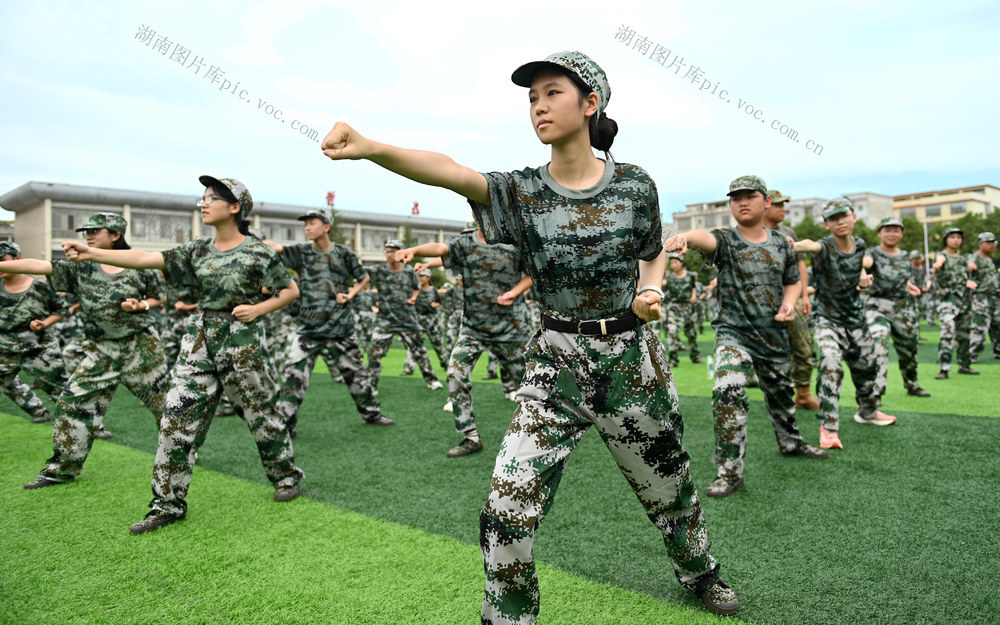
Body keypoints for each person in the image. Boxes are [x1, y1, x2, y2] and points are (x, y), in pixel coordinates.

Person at [320, 50, 737, 619]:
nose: (539, 105)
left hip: (631, 361)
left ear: (591, 104)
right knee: (506, 511)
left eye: (553, 93)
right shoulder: (521, 192)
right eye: (532, 97)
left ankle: (698, 572)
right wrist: (371, 148)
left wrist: (651, 291)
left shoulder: (636, 185)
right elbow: (450, 171)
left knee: (669, 489)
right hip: (555, 363)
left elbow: (652, 252)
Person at [59, 176, 304, 534]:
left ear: (235, 208)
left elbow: (290, 290)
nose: (203, 203)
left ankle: (285, 475)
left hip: (241, 339)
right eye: (202, 198)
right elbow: (144, 257)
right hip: (200, 337)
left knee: (260, 411)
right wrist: (92, 253)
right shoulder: (196, 249)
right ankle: (167, 504)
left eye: (212, 198)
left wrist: (258, 309)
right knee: (175, 417)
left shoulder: (259, 251)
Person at [666, 175, 827, 498]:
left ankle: (791, 442)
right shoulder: (725, 239)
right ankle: (729, 471)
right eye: (735, 197)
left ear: (766, 201)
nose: (742, 202)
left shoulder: (782, 242)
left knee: (782, 398)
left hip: (773, 336)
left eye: (750, 196)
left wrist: (789, 303)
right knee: (727, 391)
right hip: (733, 333)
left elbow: (793, 280)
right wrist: (684, 237)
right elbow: (703, 238)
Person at [0, 214, 170, 489]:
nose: (88, 235)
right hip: (100, 349)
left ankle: (180, 459)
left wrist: (141, 306)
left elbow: (158, 296)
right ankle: (62, 469)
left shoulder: (138, 263)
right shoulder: (81, 267)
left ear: (115, 234)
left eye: (94, 230)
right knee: (73, 403)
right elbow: (39, 265)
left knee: (165, 408)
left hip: (141, 347)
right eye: (85, 231)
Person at [396, 223, 533, 458]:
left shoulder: (516, 240)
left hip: (511, 328)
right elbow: (441, 248)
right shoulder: (466, 242)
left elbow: (533, 273)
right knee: (455, 374)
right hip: (474, 328)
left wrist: (514, 292)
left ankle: (538, 435)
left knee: (529, 385)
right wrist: (415, 250)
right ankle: (470, 437)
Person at [265, 208, 393, 435]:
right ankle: (286, 424)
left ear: (326, 227)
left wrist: (351, 294)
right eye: (305, 224)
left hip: (339, 328)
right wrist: (255, 239)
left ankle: (372, 414)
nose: (307, 227)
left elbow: (363, 278)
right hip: (309, 329)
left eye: (312, 223)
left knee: (358, 378)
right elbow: (276, 248)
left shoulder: (344, 254)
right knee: (292, 376)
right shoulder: (301, 252)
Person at [792, 198, 897, 450]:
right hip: (828, 319)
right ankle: (828, 427)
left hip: (855, 318)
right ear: (826, 224)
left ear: (854, 217)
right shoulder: (824, 246)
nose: (840, 222)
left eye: (844, 216)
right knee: (830, 363)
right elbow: (810, 246)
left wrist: (862, 277)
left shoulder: (860, 244)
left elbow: (860, 261)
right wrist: (793, 244)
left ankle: (868, 412)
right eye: (833, 219)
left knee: (867, 367)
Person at [0, 241, 69, 424]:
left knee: (59, 388)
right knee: (7, 383)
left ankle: (93, 426)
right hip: (5, 346)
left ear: (17, 259)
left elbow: (61, 310)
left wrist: (44, 323)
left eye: (3, 260)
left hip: (39, 346)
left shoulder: (40, 285)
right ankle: (38, 410)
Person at [764, 190, 820, 410]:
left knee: (804, 347)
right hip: (764, 303)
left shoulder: (788, 232)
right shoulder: (752, 232)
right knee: (769, 352)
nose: (783, 209)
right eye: (778, 205)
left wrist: (805, 296)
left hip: (793, 300)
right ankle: (775, 394)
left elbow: (800, 265)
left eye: (784, 205)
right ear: (766, 205)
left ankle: (804, 394)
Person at [863, 217, 930, 397]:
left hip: (903, 307)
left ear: (901, 233)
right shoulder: (872, 253)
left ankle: (912, 384)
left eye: (896, 230)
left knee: (909, 350)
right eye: (887, 230)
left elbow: (902, 276)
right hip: (877, 307)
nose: (892, 234)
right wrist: (862, 267)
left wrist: (909, 285)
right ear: (879, 233)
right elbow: (866, 262)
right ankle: (876, 392)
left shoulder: (905, 255)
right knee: (879, 345)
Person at [366, 240, 443, 392]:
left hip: (407, 319)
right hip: (385, 320)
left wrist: (414, 297)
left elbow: (416, 287)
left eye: (393, 251)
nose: (389, 254)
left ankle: (432, 380)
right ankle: (371, 385)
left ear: (401, 253)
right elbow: (363, 280)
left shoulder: (409, 272)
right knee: (374, 352)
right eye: (387, 251)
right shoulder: (378, 270)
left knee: (419, 350)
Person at [932, 227, 977, 378]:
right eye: (952, 237)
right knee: (947, 331)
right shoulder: (941, 255)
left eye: (959, 237)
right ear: (946, 240)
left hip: (964, 299)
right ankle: (944, 368)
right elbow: (939, 261)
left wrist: (969, 282)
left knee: (964, 334)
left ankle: (965, 365)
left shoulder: (963, 259)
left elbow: (967, 275)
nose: (956, 240)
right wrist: (937, 265)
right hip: (948, 300)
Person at [661, 252, 702, 366]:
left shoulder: (690, 275)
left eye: (675, 262)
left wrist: (693, 296)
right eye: (671, 263)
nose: (673, 265)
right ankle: (673, 359)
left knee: (691, 333)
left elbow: (693, 287)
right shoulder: (669, 277)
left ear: (682, 263)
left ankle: (696, 356)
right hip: (674, 308)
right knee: (672, 331)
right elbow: (661, 283)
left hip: (688, 308)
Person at [967, 232, 998, 362]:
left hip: (994, 297)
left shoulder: (990, 260)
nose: (992, 245)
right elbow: (969, 264)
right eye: (988, 242)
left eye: (993, 242)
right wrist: (970, 266)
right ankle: (972, 354)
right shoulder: (975, 258)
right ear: (980, 244)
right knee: (980, 326)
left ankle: (998, 351)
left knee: (997, 325)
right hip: (981, 297)